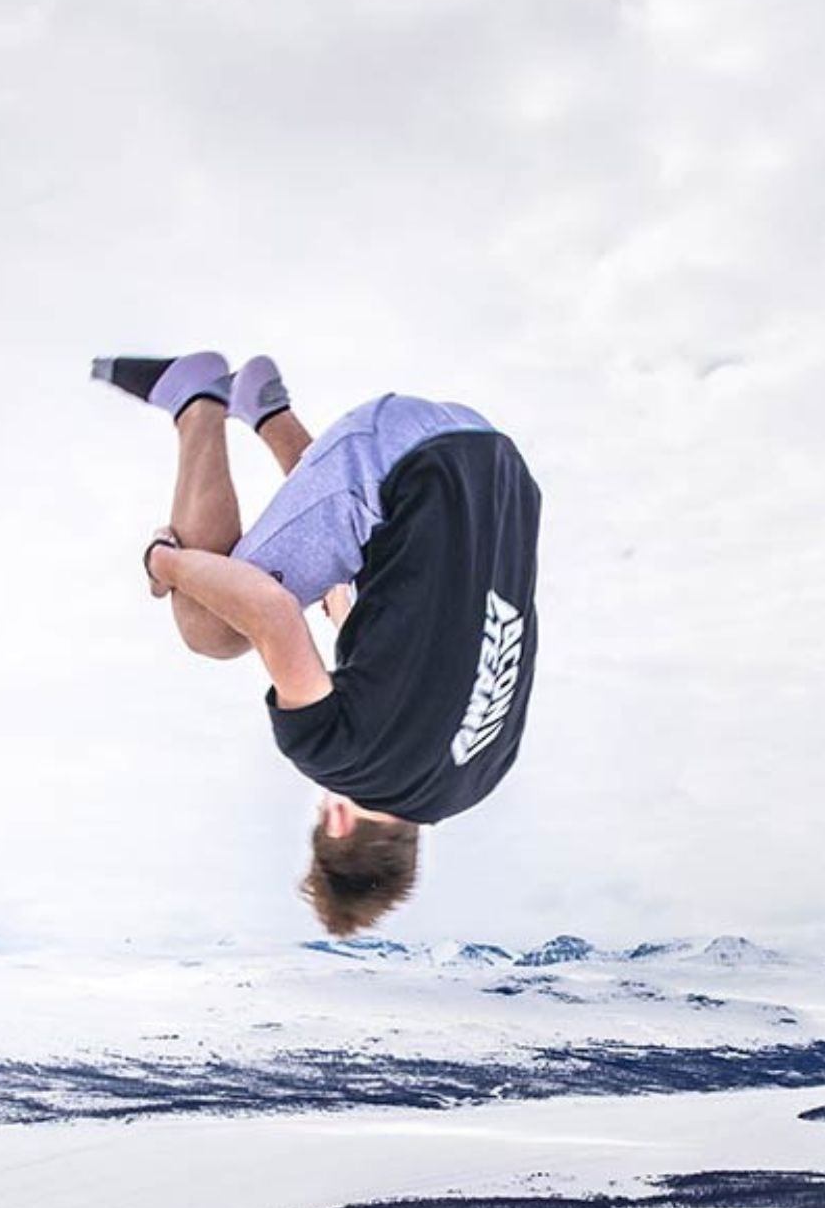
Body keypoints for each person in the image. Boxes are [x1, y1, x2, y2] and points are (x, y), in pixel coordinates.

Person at [91, 352, 542, 936]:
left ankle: (265, 407)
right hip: (405, 457)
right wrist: (165, 564)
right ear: (335, 823)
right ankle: (195, 398)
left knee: (340, 576)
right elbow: (271, 613)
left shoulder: (478, 777)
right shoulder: (341, 758)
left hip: (494, 467)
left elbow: (449, 649)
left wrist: (348, 621)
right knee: (213, 629)